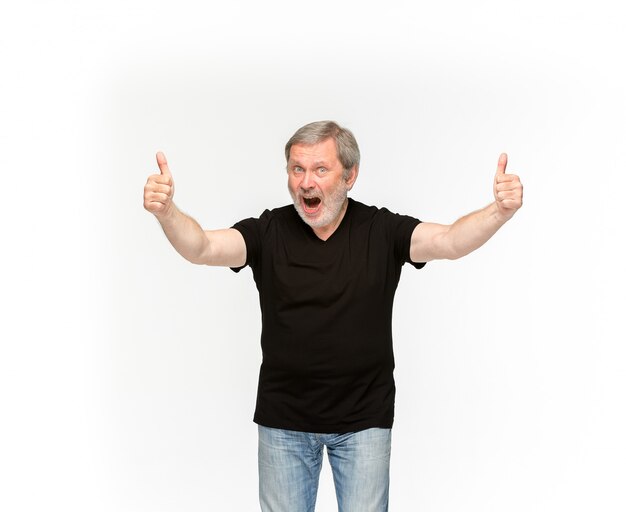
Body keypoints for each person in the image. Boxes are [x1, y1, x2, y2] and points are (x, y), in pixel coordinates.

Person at [143, 120, 523, 512]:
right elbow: (203, 247)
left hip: (363, 423)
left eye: (321, 170)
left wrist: (499, 211)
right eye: (297, 169)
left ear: (350, 175)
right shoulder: (269, 230)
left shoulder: (381, 230)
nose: (306, 182)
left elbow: (449, 241)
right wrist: (167, 212)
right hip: (284, 422)